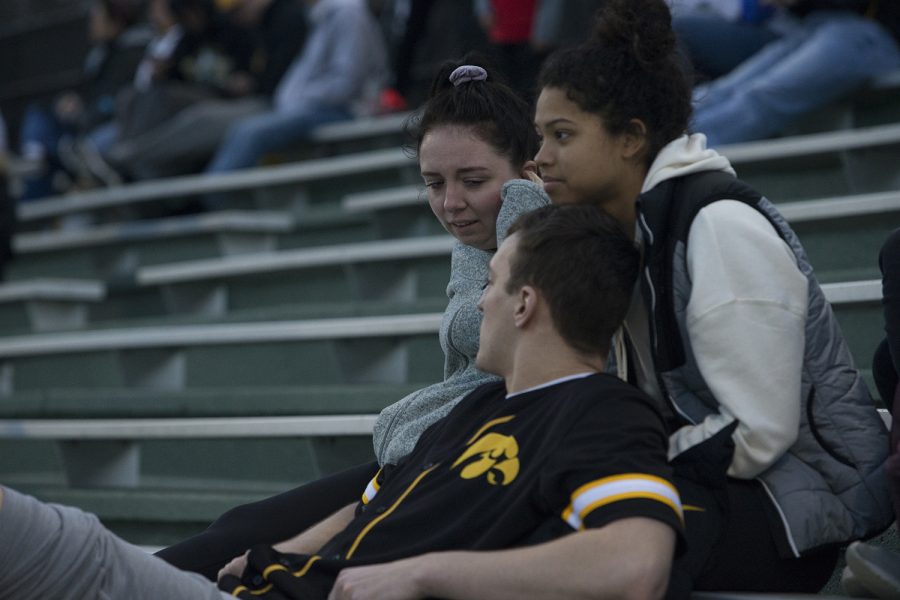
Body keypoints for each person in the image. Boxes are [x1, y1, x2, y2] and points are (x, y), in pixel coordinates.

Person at [0, 203, 683, 600]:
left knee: (55, 546)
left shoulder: (603, 411)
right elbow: (367, 506)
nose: (481, 299)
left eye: (495, 283)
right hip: (260, 589)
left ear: (526, 304)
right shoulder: (478, 409)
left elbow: (635, 565)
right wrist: (274, 550)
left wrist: (417, 575)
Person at [533, 0, 893, 593]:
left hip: (803, 511)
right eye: (540, 136)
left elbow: (756, 433)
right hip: (718, 485)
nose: (541, 157)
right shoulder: (628, 235)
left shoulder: (717, 227)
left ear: (630, 139)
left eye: (562, 135)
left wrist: (622, 468)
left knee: (572, 545)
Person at [156, 58, 549, 579]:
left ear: (528, 173)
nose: (452, 203)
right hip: (424, 455)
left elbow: (506, 346)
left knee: (249, 551)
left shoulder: (551, 243)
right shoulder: (473, 245)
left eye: (473, 180)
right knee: (236, 528)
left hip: (464, 468)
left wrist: (528, 208)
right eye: (433, 183)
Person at [203, 0, 387, 179]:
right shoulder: (318, 15)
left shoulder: (347, 12)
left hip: (345, 109)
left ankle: (213, 196)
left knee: (250, 133)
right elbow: (302, 74)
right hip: (310, 105)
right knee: (240, 128)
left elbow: (346, 83)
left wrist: (299, 97)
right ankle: (211, 194)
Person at [691, 0, 900, 146]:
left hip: (875, 37)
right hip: (822, 24)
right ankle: (669, 130)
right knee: (725, 90)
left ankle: (681, 149)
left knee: (761, 96)